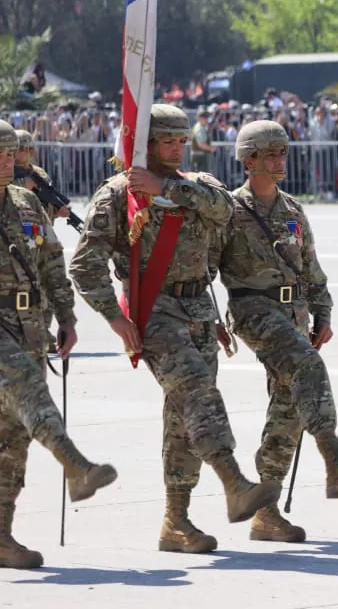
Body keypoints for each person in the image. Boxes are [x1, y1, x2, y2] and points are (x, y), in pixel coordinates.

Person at [69, 104, 279, 554]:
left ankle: (176, 521)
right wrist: (115, 317)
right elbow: (84, 265)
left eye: (182, 141)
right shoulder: (119, 194)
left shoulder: (198, 185)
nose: (178, 148)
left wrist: (166, 186)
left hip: (200, 312)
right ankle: (234, 481)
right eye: (168, 141)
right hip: (155, 312)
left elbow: (226, 211)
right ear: (146, 144)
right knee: (199, 395)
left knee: (183, 420)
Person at [219, 120, 338, 543]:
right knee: (307, 368)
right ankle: (334, 459)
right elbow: (200, 267)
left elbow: (311, 269)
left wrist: (323, 315)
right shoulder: (229, 211)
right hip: (253, 308)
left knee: (287, 407)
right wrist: (210, 318)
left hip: (294, 314)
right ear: (248, 160)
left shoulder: (292, 211)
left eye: (283, 152)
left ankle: (265, 512)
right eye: (269, 153)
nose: (278, 160)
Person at [0, 120, 118, 569]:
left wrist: (66, 319)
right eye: (0, 152)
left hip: (29, 326)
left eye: (12, 152)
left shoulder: (28, 203)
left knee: (12, 439)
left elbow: (51, 263)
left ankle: (2, 536)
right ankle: (77, 466)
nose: (8, 159)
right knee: (32, 391)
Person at [14, 130, 69, 224]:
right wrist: (22, 185)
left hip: (43, 230)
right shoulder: (6, 173)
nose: (30, 151)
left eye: (30, 148)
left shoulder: (40, 173)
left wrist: (57, 211)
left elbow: (47, 201)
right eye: (21, 149)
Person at [190, 109, 216, 174]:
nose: (207, 119)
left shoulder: (202, 127)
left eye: (207, 117)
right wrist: (211, 148)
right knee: (201, 178)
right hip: (200, 157)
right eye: (205, 117)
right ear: (201, 118)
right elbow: (201, 144)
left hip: (200, 156)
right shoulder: (199, 128)